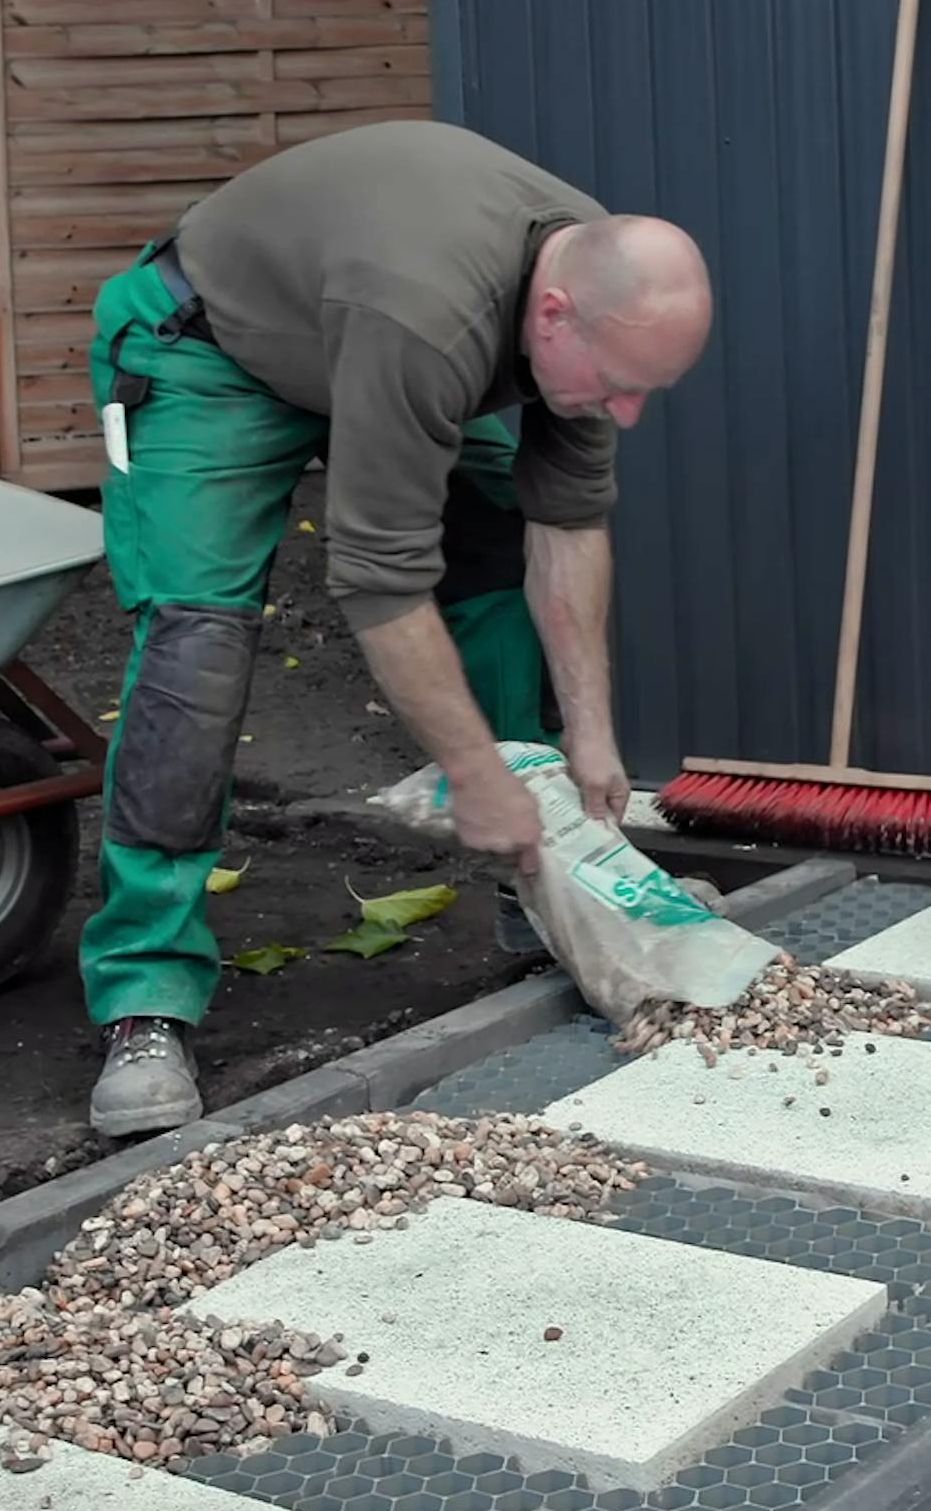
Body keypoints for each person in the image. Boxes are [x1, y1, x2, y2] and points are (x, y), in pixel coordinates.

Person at [79, 119, 714, 1139]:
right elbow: (379, 580)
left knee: (503, 540)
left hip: (360, 341)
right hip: (205, 348)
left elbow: (567, 522)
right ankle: (144, 992)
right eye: (619, 387)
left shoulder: (599, 283)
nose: (627, 413)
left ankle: (543, 878)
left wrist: (592, 735)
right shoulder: (428, 317)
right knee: (198, 645)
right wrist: (474, 771)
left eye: (646, 390)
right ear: (552, 315)